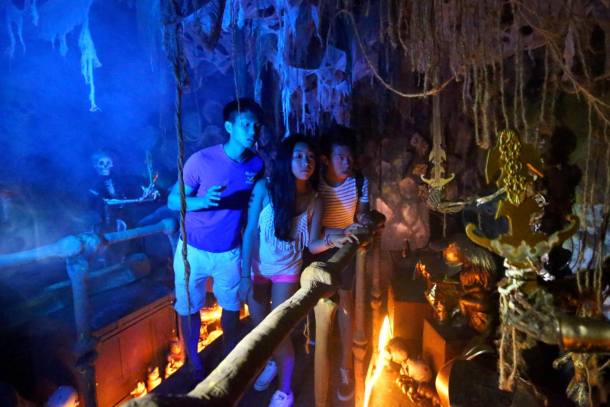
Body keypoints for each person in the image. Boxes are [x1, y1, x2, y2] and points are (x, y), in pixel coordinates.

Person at [241, 135, 357, 407]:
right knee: (260, 328)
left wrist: (334, 239)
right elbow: (249, 233)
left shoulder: (314, 198)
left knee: (279, 330)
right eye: (299, 156)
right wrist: (244, 275)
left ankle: (285, 391)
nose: (306, 162)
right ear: (287, 159)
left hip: (287, 269)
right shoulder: (264, 188)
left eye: (311, 157)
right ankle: (272, 362)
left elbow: (313, 244)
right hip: (258, 268)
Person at [167, 98, 265, 384]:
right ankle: (194, 362)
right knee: (189, 307)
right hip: (192, 251)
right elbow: (173, 201)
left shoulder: (256, 164)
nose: (253, 131)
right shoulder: (201, 160)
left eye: (256, 125)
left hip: (229, 250)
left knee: (232, 306)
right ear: (229, 127)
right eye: (246, 124)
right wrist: (202, 201)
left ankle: (228, 353)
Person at [313, 125, 377, 401]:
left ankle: (344, 365)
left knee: (346, 300)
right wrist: (336, 234)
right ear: (326, 159)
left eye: (350, 157)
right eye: (341, 157)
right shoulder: (314, 182)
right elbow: (309, 224)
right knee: (320, 301)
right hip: (320, 246)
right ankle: (319, 354)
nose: (347, 162)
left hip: (347, 247)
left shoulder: (360, 181)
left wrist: (365, 220)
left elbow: (360, 212)